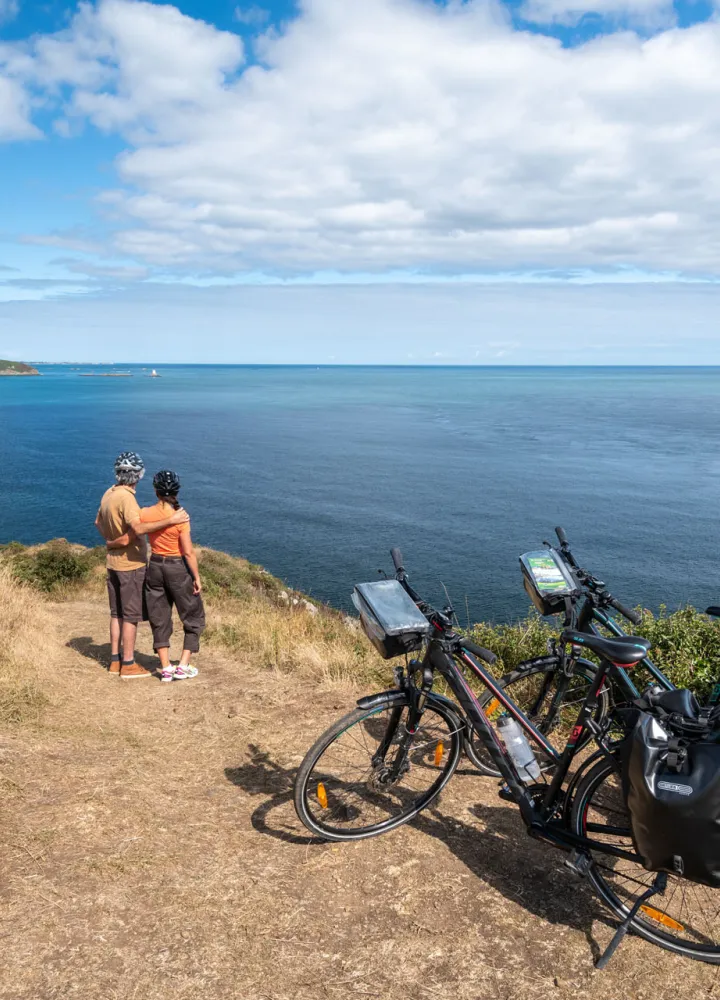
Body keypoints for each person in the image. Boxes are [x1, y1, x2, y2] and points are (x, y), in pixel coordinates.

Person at [95, 452, 189, 680]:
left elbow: (98, 522)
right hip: (130, 565)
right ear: (138, 474)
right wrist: (170, 520)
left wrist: (112, 541)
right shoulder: (127, 498)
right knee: (130, 616)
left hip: (113, 564)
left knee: (116, 613)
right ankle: (128, 663)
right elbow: (137, 529)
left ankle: (115, 661)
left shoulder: (109, 492)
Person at [141, 470, 205, 682]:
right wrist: (196, 576)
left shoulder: (146, 513)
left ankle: (166, 667)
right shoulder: (181, 516)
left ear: (155, 491)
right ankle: (183, 665)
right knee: (192, 614)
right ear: (176, 490)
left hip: (156, 565)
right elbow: (187, 551)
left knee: (159, 615)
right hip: (177, 568)